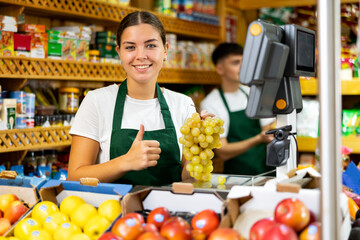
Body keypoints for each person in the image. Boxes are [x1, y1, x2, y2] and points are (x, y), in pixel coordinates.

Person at [68, 11, 209, 186]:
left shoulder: (182, 104)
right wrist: (125, 162)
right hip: (113, 211)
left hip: (166, 212)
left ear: (165, 50)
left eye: (150, 46)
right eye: (130, 47)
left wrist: (200, 147)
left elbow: (188, 179)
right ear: (119, 52)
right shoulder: (97, 102)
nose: (141, 55)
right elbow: (74, 176)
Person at [200, 43, 275, 176]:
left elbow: (268, 128)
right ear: (220, 69)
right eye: (235, 63)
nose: (242, 67)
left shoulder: (253, 93)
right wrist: (257, 139)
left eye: (243, 62)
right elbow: (223, 152)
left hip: (266, 172)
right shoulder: (211, 104)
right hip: (238, 178)